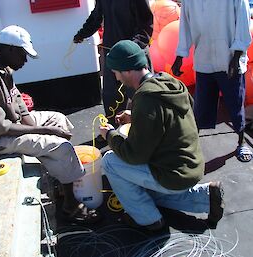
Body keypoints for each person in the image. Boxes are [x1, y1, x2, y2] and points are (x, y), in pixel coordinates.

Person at [0, 25, 101, 224]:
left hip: (9, 126)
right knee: (62, 147)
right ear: (10, 49)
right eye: (23, 55)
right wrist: (43, 131)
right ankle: (70, 205)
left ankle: (62, 179)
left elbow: (17, 101)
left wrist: (38, 125)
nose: (25, 61)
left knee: (59, 120)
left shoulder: (3, 67)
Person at [99, 40, 224, 232]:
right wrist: (135, 118)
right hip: (191, 164)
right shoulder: (169, 82)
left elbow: (134, 155)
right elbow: (175, 117)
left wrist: (110, 135)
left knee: (110, 161)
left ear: (126, 70)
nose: (115, 77)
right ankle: (206, 197)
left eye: (115, 72)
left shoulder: (146, 100)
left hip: (173, 174)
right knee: (144, 191)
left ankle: (148, 220)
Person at [171, 0, 253, 162]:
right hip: (204, 58)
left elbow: (243, 24)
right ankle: (192, 144)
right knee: (201, 105)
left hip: (229, 59)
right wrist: (180, 55)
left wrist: (236, 57)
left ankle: (241, 140)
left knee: (235, 102)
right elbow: (185, 26)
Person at [73, 0, 153, 127]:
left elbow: (146, 23)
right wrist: (83, 33)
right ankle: (112, 130)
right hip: (112, 54)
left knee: (142, 97)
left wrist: (133, 48)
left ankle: (146, 131)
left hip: (134, 56)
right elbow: (96, 16)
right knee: (110, 95)